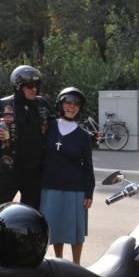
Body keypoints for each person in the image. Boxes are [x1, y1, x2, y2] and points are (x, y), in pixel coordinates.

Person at [39, 87, 95, 265]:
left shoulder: (83, 136)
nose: (71, 107)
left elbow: (88, 166)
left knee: (75, 231)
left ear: (80, 108)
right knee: (55, 229)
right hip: (49, 187)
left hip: (75, 189)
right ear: (61, 104)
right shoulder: (49, 126)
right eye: (68, 103)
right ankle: (59, 263)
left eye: (76, 104)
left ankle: (77, 266)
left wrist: (89, 193)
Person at [0, 65, 52, 209]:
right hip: (9, 171)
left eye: (37, 85)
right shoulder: (2, 105)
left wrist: (87, 136)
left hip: (34, 173)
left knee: (32, 213)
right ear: (18, 87)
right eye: (30, 86)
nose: (34, 89)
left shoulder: (42, 104)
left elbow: (57, 130)